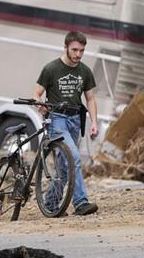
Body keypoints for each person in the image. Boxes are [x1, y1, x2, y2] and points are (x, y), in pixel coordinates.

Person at [33, 31, 99, 216]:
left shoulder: (84, 71)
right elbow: (36, 93)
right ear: (66, 48)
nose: (78, 54)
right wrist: (41, 105)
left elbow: (91, 98)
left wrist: (93, 122)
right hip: (57, 120)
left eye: (82, 51)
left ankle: (52, 205)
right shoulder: (51, 69)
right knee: (74, 157)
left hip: (75, 120)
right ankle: (81, 203)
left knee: (64, 168)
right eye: (75, 50)